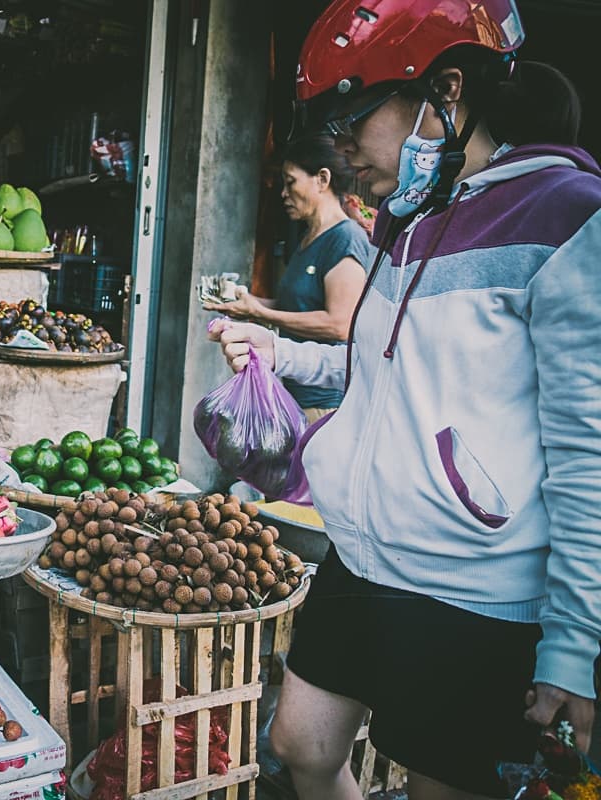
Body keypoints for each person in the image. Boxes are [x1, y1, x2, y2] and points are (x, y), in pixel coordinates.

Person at [209, 1, 599, 798]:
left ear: (446, 90)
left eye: (351, 117)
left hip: (472, 591)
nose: (342, 147)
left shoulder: (566, 216)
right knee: (301, 748)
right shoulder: (406, 222)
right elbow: (383, 370)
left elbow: (588, 453)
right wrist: (279, 354)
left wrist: (574, 648)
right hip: (362, 557)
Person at [205, 134, 369, 421]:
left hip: (327, 406)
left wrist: (259, 311)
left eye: (290, 182)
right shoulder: (308, 240)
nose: (283, 193)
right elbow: (296, 306)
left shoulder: (345, 238)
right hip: (296, 396)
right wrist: (247, 304)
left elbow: (339, 324)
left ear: (322, 179)